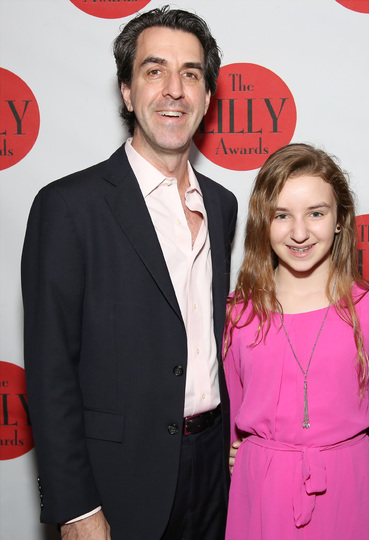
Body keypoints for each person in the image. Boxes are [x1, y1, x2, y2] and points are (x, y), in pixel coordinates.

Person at [21, 6, 237, 540]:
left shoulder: (224, 205)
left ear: (208, 98)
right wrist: (74, 508)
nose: (174, 89)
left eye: (191, 74)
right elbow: (50, 374)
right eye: (154, 70)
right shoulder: (68, 207)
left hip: (216, 471)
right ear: (126, 90)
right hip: (119, 481)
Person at [223, 143, 369, 539]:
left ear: (340, 220)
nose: (299, 233)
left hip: (348, 484)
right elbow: (235, 405)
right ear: (262, 223)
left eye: (316, 213)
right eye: (281, 215)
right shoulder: (238, 314)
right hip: (262, 486)